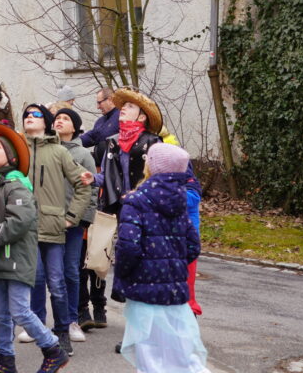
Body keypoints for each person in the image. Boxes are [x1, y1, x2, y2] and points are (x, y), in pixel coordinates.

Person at [0, 104, 91, 354]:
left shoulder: (59, 151)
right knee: (30, 280)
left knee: (57, 282)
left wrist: (71, 217)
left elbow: (83, 184)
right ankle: (19, 335)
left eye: (36, 114)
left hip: (53, 228)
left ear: (46, 121)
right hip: (23, 231)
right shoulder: (19, 149)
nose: (29, 118)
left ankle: (61, 332)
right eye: (26, 115)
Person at [0, 125, 69, 373]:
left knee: (20, 311)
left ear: (11, 158)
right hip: (0, 258)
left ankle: (53, 349)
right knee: (1, 313)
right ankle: (6, 361)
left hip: (16, 258)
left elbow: (17, 224)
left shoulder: (16, 185)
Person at [114, 143, 207, 373]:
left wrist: (124, 275)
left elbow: (128, 247)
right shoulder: (180, 201)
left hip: (144, 288)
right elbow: (193, 246)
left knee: (149, 353)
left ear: (152, 166)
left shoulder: (137, 201)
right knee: (178, 351)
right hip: (174, 289)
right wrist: (172, 266)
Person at [82, 87, 164, 322]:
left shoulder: (152, 142)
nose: (122, 110)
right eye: (122, 107)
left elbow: (156, 177)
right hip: (112, 204)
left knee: (134, 254)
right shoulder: (112, 142)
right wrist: (93, 178)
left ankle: (129, 298)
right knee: (99, 252)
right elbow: (108, 175)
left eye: (129, 107)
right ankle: (100, 306)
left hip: (140, 207)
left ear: (142, 116)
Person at [51, 107, 96, 342]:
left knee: (71, 271)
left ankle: (72, 321)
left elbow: (92, 189)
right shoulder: (47, 149)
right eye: (57, 118)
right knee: (50, 274)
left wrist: (83, 219)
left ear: (75, 127)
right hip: (49, 222)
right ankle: (53, 321)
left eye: (65, 119)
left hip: (74, 223)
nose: (59, 121)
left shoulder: (82, 154)